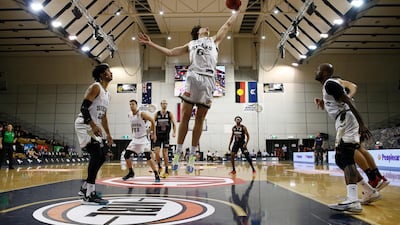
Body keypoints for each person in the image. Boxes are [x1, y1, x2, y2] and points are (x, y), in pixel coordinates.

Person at [138, 9, 240, 173]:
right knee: (185, 115)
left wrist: (237, 11)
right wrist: (150, 44)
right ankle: (178, 151)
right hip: (193, 77)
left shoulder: (215, 41)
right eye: (203, 28)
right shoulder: (191, 44)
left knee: (200, 118)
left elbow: (228, 24)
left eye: (207, 29)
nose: (207, 28)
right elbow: (171, 53)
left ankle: (192, 154)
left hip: (208, 80)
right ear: (197, 33)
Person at [314, 63, 380, 213]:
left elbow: (349, 102)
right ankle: (369, 191)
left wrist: (362, 124)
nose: (315, 71)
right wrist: (323, 103)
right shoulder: (329, 85)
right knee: (339, 159)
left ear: (324, 73)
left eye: (318, 70)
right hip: (343, 121)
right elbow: (339, 101)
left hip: (346, 120)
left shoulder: (330, 83)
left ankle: (353, 200)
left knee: (346, 157)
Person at [315, 76, 389, 190]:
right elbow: (335, 101)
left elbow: (353, 86)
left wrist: (348, 97)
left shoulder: (334, 81)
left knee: (347, 150)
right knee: (358, 148)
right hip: (348, 118)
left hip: (347, 118)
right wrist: (323, 102)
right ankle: (377, 176)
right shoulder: (328, 90)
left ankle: (373, 178)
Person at [75, 63, 113, 205]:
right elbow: (84, 108)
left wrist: (108, 134)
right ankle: (89, 195)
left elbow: (103, 117)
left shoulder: (108, 94)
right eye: (108, 71)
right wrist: (92, 124)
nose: (111, 73)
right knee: (97, 153)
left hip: (94, 127)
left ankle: (85, 188)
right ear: (102, 74)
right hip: (84, 125)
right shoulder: (95, 87)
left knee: (102, 156)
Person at [122, 99, 160, 183]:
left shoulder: (141, 114)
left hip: (143, 139)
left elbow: (153, 121)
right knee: (126, 155)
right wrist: (132, 134)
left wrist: (154, 134)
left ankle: (156, 174)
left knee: (148, 157)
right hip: (135, 139)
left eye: (133, 104)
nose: (131, 106)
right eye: (130, 104)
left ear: (136, 105)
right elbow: (132, 125)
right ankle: (131, 172)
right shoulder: (129, 115)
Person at [153, 100, 176, 178]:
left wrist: (174, 132)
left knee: (165, 153)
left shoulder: (169, 114)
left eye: (166, 103)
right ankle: (159, 166)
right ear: (161, 104)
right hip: (158, 136)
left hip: (166, 136)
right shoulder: (157, 114)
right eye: (163, 103)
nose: (164, 105)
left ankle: (166, 170)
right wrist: (152, 132)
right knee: (156, 152)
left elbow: (174, 124)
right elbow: (153, 123)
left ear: (167, 105)